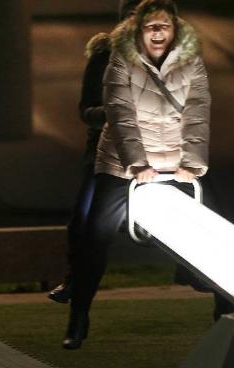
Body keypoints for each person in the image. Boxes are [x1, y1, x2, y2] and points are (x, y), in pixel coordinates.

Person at [63, 0, 213, 349]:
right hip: (121, 158)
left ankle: (221, 310)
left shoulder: (191, 61)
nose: (157, 32)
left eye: (164, 26)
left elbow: (198, 112)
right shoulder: (119, 59)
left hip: (174, 154)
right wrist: (137, 164)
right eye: (150, 26)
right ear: (137, 30)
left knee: (214, 221)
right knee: (95, 235)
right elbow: (119, 113)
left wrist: (192, 162)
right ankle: (78, 315)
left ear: (175, 28)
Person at [48, 0, 141, 304]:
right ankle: (76, 282)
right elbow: (85, 110)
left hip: (155, 150)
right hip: (106, 149)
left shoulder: (167, 58)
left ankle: (194, 275)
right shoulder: (104, 54)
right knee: (84, 219)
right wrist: (116, 113)